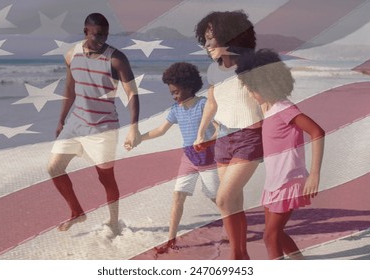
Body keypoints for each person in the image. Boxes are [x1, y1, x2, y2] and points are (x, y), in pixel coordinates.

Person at [47, 13, 141, 233]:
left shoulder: (116, 58)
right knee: (54, 167)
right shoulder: (71, 54)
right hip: (75, 123)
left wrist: (133, 127)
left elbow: (132, 94)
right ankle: (76, 211)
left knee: (105, 178)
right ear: (85, 32)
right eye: (97, 35)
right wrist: (61, 120)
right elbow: (70, 89)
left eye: (105, 35)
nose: (102, 39)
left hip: (103, 128)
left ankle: (114, 222)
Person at [236, 49, 325, 259]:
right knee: (277, 234)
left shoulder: (285, 108)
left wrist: (314, 175)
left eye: (252, 90)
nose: (250, 94)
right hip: (274, 183)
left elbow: (317, 132)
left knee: (270, 237)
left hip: (288, 181)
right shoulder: (269, 109)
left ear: (266, 86)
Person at [193, 10, 263, 259]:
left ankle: (237, 257)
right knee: (233, 203)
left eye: (211, 37)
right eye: (204, 38)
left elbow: (267, 104)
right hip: (223, 137)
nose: (206, 44)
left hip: (250, 137)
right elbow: (212, 104)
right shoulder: (213, 71)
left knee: (223, 199)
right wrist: (202, 133)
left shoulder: (251, 66)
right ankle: (240, 255)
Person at [139, 62, 219, 254]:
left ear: (189, 87)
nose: (174, 96)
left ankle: (236, 224)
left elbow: (219, 129)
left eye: (176, 92)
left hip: (208, 159)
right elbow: (161, 130)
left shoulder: (203, 105)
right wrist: (139, 138)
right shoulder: (176, 109)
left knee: (218, 198)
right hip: (189, 158)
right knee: (178, 196)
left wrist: (207, 142)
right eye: (171, 93)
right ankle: (171, 240)